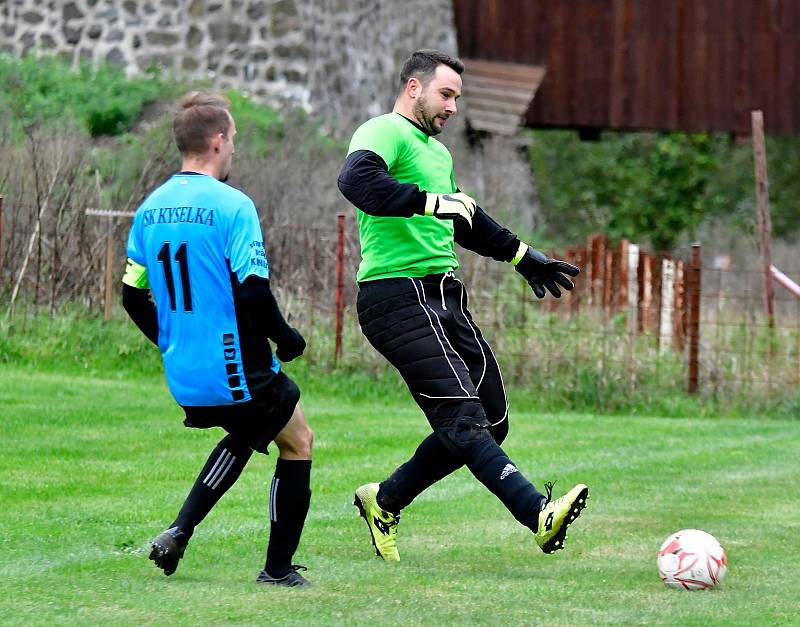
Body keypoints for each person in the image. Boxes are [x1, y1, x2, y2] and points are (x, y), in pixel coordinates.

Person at [338, 50, 588, 562]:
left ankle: (383, 501)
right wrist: (432, 202)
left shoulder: (437, 154)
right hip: (396, 296)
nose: (453, 106)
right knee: (465, 421)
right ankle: (536, 512)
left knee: (491, 422)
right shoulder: (383, 130)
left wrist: (523, 255)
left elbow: (464, 217)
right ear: (414, 88)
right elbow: (357, 183)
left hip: (445, 297)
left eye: (457, 97)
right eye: (445, 94)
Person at [122, 92, 313, 587]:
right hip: (235, 366)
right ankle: (275, 570)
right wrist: (287, 338)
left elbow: (130, 294)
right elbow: (253, 291)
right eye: (233, 141)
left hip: (184, 370)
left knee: (260, 430)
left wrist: (168, 340)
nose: (235, 152)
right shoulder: (234, 206)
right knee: (294, 434)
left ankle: (180, 532)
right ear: (217, 140)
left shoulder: (149, 209)